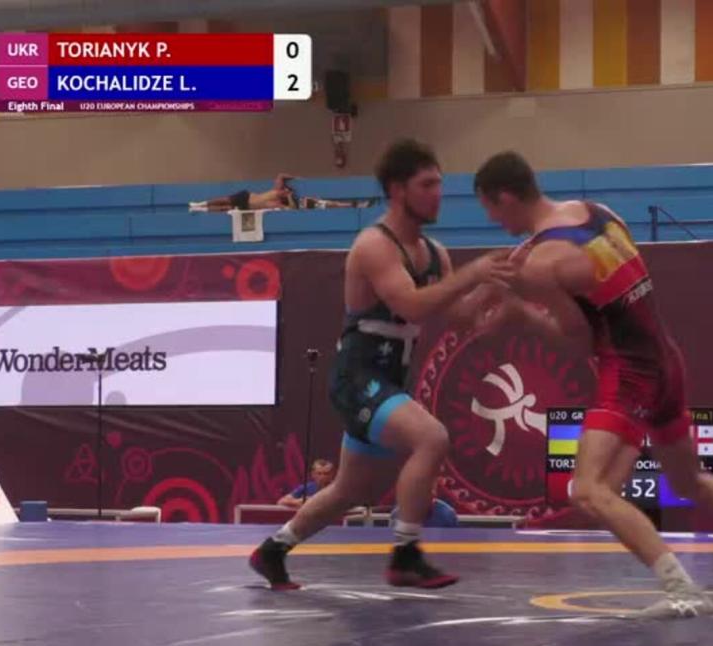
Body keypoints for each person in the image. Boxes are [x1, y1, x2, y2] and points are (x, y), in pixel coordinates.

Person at [471, 151, 713, 619]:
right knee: (688, 479)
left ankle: (683, 590)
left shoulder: (541, 262)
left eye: (490, 209)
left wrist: (522, 317)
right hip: (665, 357)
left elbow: (579, 342)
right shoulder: (595, 212)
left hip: (629, 371)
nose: (492, 221)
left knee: (588, 490)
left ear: (506, 198)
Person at [249, 139, 515, 591]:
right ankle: (406, 555)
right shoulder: (375, 246)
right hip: (358, 377)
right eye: (427, 184)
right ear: (397, 190)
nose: (438, 194)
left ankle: (272, 551)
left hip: (388, 380)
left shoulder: (434, 252)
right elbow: (412, 305)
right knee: (432, 438)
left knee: (350, 491)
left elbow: (458, 316)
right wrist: (474, 273)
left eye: (439, 184)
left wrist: (499, 286)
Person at [190, 173, 373, 212]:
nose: (285, 192)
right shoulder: (276, 191)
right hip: (247, 197)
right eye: (286, 191)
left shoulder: (277, 204)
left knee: (225, 208)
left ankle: (201, 209)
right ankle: (200, 203)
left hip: (248, 207)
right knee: (225, 200)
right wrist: (297, 178)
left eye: (287, 193)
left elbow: (291, 210)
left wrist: (290, 199)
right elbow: (280, 175)